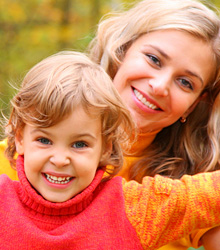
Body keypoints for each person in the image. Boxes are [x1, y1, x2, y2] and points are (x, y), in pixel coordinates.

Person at [0, 0, 220, 249]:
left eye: (185, 82)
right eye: (154, 59)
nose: (159, 86)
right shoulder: (9, 168)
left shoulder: (166, 199)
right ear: (121, 51)